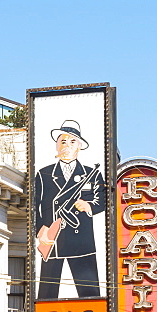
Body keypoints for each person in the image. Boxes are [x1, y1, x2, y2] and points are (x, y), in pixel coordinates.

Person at [34, 120, 106, 299]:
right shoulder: (44, 174)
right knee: (46, 296)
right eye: (63, 141)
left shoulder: (92, 172)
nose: (67, 146)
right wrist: (39, 229)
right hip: (53, 239)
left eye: (72, 141)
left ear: (80, 146)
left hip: (81, 241)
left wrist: (89, 206)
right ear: (56, 145)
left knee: (89, 295)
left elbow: (104, 200)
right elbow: (35, 206)